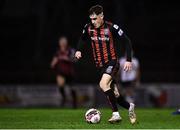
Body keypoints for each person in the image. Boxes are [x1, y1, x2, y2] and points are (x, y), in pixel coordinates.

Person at [75, 5, 136, 124]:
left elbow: (127, 41)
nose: (92, 21)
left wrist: (128, 59)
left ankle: (116, 114)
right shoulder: (88, 28)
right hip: (100, 65)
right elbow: (82, 39)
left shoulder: (111, 27)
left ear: (101, 16)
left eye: (95, 19)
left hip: (112, 62)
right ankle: (130, 107)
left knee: (103, 84)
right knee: (116, 95)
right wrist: (78, 50)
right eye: (91, 19)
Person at [51, 36, 77, 108]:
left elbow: (75, 59)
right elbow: (53, 62)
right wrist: (53, 63)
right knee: (60, 85)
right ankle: (64, 98)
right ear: (59, 43)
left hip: (70, 72)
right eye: (61, 42)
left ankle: (74, 104)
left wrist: (67, 59)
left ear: (66, 43)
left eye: (64, 42)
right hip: (61, 72)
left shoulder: (70, 50)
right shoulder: (58, 52)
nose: (62, 43)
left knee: (72, 88)